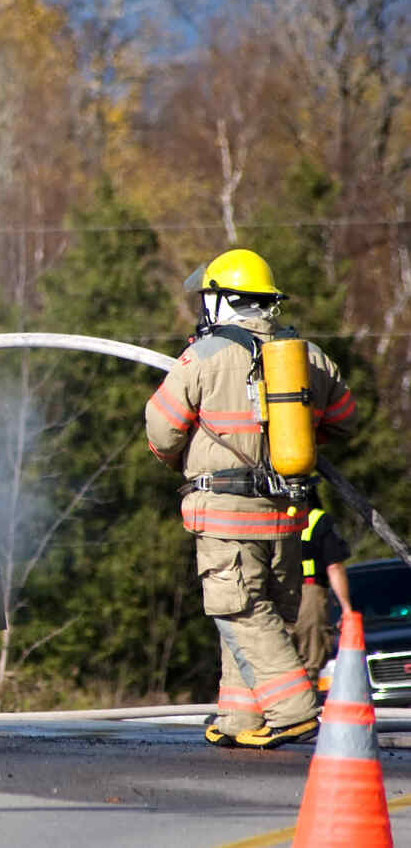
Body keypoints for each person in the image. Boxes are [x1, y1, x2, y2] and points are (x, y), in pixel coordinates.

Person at [145, 248, 357, 749]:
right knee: (257, 613)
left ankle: (295, 710)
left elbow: (161, 431)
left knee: (240, 611)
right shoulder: (307, 355)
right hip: (286, 515)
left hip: (226, 513)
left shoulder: (204, 356)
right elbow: (345, 420)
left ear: (222, 301)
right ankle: (241, 717)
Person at [293, 490, 353, 686]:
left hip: (274, 594)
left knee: (278, 663)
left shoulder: (272, 516)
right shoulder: (319, 520)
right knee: (310, 663)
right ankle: (304, 702)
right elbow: (334, 567)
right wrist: (346, 609)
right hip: (309, 594)